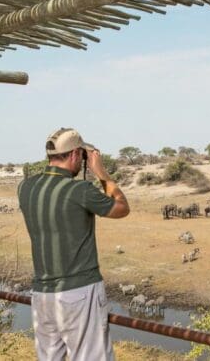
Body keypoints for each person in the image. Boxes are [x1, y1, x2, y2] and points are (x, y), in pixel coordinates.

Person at [18, 128, 130, 361]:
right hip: (79, 293)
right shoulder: (80, 190)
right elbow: (121, 208)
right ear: (75, 155)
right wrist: (103, 174)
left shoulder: (26, 187)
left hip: (42, 295)